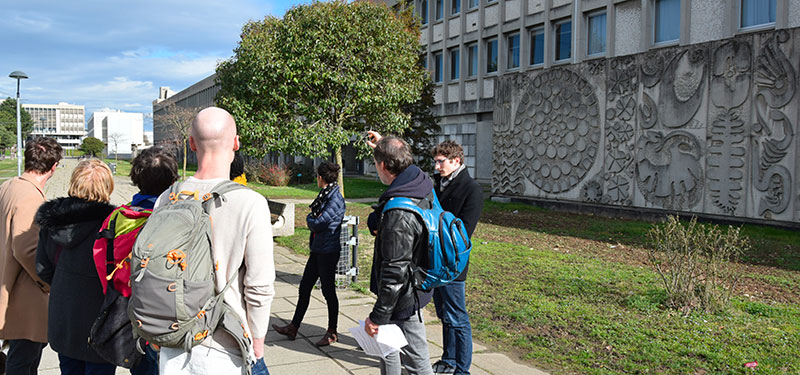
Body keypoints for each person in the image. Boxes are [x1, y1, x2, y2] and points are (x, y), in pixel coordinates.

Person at [154, 107, 275, 375]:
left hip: (173, 340)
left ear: (191, 144)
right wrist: (257, 341)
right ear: (236, 142)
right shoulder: (250, 203)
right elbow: (259, 286)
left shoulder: (168, 198)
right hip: (224, 344)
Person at [35, 159, 117, 375]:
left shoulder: (52, 222)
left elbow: (42, 268)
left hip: (65, 316)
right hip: (101, 320)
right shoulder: (114, 225)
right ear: (107, 186)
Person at [364, 134, 434, 375]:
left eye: (376, 164)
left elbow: (395, 271)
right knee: (388, 350)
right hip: (414, 284)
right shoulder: (421, 182)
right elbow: (409, 166)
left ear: (383, 165)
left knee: (418, 365)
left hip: (403, 297)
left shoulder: (399, 212)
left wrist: (377, 316)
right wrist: (386, 145)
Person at [107, 146, 178, 375]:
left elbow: (104, 263)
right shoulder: (178, 218)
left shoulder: (119, 216)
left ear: (136, 179)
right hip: (170, 314)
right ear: (173, 179)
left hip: (131, 310)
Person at [0, 137, 62, 375]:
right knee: (24, 362)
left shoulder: (9, 185)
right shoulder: (31, 197)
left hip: (10, 290)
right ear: (54, 166)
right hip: (25, 298)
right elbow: (26, 250)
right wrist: (48, 283)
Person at [273, 162, 345, 347]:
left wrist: (309, 219)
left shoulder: (335, 198)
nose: (316, 179)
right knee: (304, 288)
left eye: (317, 176)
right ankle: (293, 327)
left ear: (321, 178)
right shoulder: (326, 193)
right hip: (318, 249)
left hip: (328, 251)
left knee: (328, 292)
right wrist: (313, 219)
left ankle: (332, 331)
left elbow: (319, 222)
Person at [429, 141, 483, 375]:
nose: (437, 166)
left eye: (441, 161)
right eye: (436, 161)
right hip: (434, 261)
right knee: (444, 314)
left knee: (457, 317)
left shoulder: (471, 189)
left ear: (456, 161)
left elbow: (464, 233)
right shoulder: (436, 183)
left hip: (452, 263)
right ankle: (448, 358)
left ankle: (462, 369)